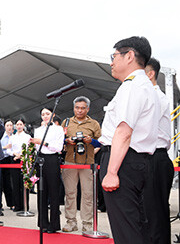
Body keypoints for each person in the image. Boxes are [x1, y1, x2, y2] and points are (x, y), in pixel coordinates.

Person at [99, 36, 159, 244]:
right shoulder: (146, 86)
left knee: (126, 229)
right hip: (139, 162)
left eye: (114, 56)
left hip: (124, 162)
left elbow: (124, 131)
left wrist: (112, 172)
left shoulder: (132, 86)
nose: (111, 62)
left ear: (130, 56)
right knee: (138, 225)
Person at [61, 96, 101, 232]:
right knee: (70, 193)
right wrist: (67, 141)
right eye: (77, 108)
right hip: (70, 162)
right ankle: (71, 222)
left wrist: (91, 142)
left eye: (83, 108)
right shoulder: (66, 123)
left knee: (88, 194)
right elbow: (59, 141)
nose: (79, 110)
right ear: (73, 108)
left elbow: (102, 142)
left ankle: (87, 223)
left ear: (88, 109)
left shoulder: (94, 124)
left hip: (87, 162)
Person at [144, 57, 173, 243]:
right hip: (152, 158)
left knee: (156, 213)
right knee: (150, 212)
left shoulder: (156, 97)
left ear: (150, 73)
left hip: (157, 157)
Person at [30, 107, 64, 233]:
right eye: (43, 114)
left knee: (54, 192)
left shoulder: (58, 129)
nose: (45, 116)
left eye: (47, 114)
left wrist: (44, 143)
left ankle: (54, 224)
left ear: (53, 115)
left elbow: (58, 147)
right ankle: (43, 223)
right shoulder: (37, 130)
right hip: (40, 159)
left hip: (53, 160)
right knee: (41, 191)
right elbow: (36, 146)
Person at [8, 119, 31, 211]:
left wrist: (22, 155)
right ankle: (17, 205)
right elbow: (8, 149)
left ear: (24, 125)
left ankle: (25, 205)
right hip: (14, 160)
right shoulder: (12, 137)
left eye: (21, 124)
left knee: (24, 184)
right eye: (17, 124)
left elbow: (30, 149)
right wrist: (14, 154)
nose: (19, 126)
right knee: (15, 183)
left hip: (24, 160)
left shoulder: (27, 136)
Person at [0, 120, 15, 211]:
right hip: (2, 160)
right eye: (7, 125)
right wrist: (6, 147)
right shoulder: (1, 136)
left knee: (9, 183)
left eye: (11, 125)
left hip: (12, 159)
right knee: (0, 183)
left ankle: (11, 203)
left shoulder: (14, 137)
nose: (9, 127)